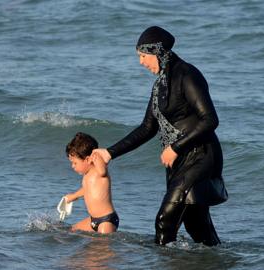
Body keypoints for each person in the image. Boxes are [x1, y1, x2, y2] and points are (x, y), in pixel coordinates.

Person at [93, 26, 227, 246]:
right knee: (197, 227)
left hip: (201, 157)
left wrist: (175, 147)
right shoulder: (160, 85)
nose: (141, 62)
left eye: (143, 56)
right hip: (179, 162)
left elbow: (210, 120)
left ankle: (160, 263)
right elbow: (147, 127)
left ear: (157, 52)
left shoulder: (187, 75)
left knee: (165, 221)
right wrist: (109, 153)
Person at [63, 132, 119, 234]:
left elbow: (103, 172)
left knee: (101, 247)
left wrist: (97, 157)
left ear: (88, 159)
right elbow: (87, 190)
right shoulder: (87, 175)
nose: (72, 166)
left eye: (75, 163)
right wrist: (73, 196)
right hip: (93, 220)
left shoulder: (99, 170)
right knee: (71, 230)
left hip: (106, 221)